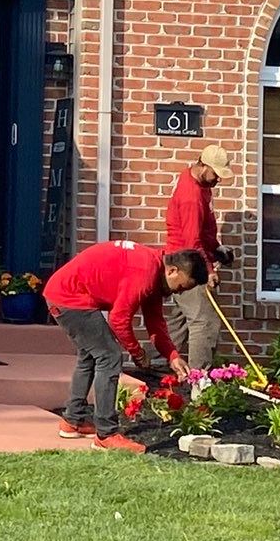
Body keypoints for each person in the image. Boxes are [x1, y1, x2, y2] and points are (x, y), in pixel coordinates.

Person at [45, 236, 201, 440]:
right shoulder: (145, 274)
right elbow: (118, 320)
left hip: (68, 294)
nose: (177, 294)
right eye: (180, 287)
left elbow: (155, 322)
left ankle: (73, 421)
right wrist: (137, 353)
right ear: (172, 271)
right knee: (109, 356)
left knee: (90, 356)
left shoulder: (156, 272)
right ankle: (106, 434)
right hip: (69, 298)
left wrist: (172, 356)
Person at [162, 144, 234, 371]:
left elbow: (203, 232)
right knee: (205, 322)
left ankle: (153, 368)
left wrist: (216, 248)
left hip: (184, 259)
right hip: (187, 265)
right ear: (203, 166)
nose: (218, 180)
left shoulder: (199, 182)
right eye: (216, 174)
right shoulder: (191, 197)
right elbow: (192, 242)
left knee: (179, 322)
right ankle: (199, 381)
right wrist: (209, 271)